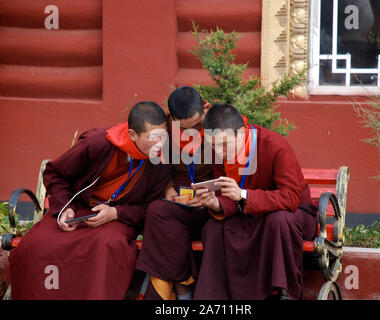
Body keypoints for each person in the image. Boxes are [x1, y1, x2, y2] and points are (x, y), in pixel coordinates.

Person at [9, 101, 171, 299]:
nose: (160, 144)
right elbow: (55, 174)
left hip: (118, 217)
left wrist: (116, 213)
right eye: (153, 139)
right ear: (132, 135)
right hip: (77, 209)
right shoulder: (98, 143)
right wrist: (64, 207)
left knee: (108, 247)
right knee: (37, 245)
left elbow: (149, 208)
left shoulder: (161, 161)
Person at [192, 103, 318, 300]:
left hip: (292, 215)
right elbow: (227, 196)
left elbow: (291, 198)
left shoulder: (274, 145)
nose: (218, 152)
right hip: (248, 214)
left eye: (224, 145)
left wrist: (243, 195)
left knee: (278, 221)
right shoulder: (219, 153)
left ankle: (281, 292)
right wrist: (216, 204)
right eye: (213, 145)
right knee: (213, 227)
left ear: (241, 133)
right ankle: (217, 297)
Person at [135, 86, 212, 300]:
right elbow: (157, 166)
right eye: (184, 127)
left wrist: (211, 198)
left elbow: (230, 173)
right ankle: (183, 290)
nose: (193, 132)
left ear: (205, 108)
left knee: (161, 218)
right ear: (172, 118)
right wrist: (167, 187)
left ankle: (176, 292)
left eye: (197, 125)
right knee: (161, 213)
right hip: (179, 202)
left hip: (210, 205)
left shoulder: (218, 125)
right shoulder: (166, 130)